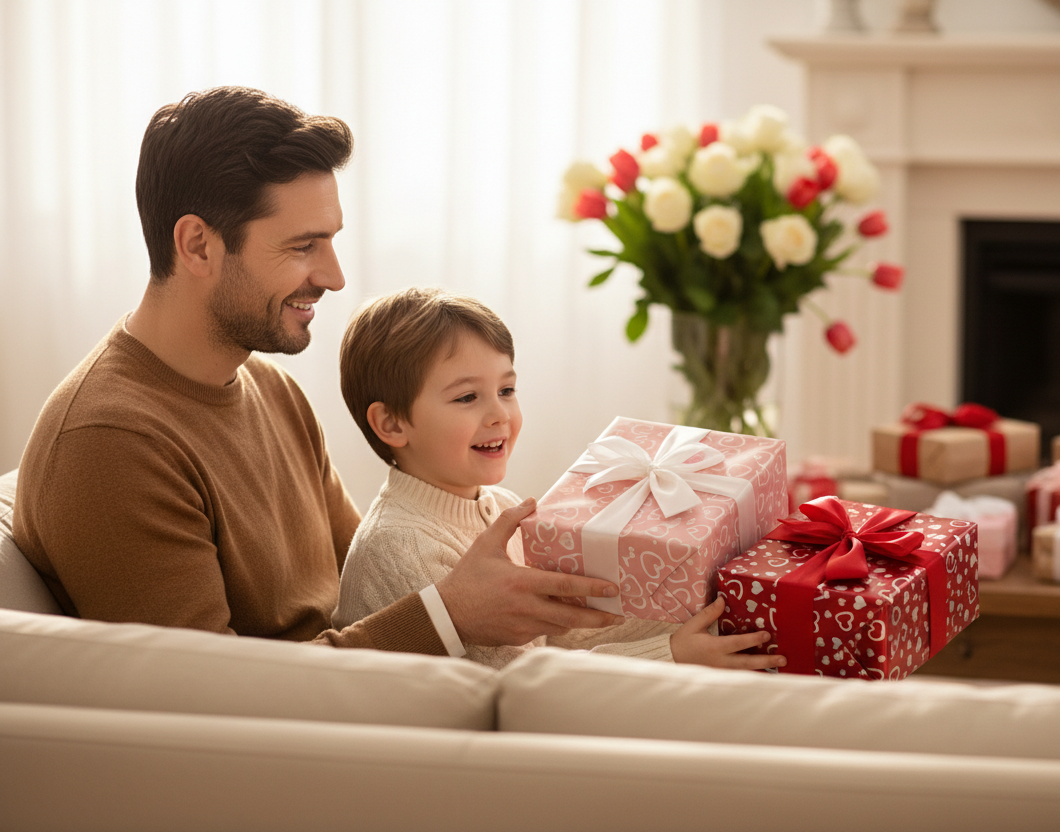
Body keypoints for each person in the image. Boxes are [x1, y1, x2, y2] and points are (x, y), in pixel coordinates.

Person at [12, 86, 625, 655]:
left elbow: (371, 576)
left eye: (330, 241)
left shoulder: (269, 387)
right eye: (304, 246)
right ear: (198, 245)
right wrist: (449, 617)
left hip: (359, 708)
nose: (334, 277)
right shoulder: (112, 445)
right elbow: (207, 698)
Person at [332, 287, 783, 670]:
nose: (499, 415)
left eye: (506, 390)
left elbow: (557, 637)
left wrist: (690, 611)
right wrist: (670, 654)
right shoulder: (401, 545)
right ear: (392, 424)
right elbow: (513, 689)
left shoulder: (498, 505)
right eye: (468, 397)